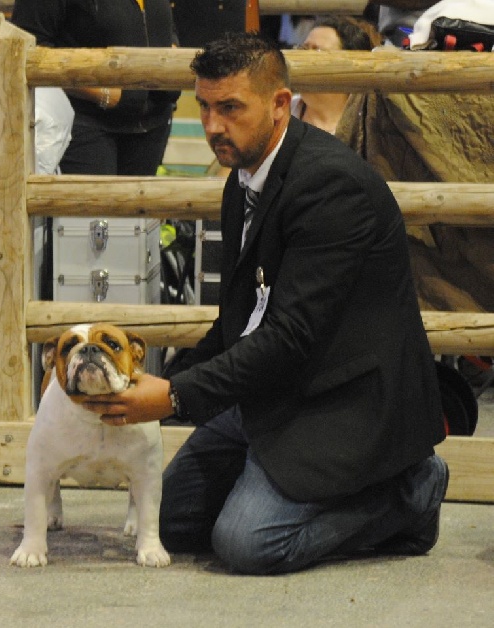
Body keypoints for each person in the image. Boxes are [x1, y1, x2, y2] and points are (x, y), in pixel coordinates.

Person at [82, 32, 448, 575]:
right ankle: (270, 477)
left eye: (229, 108)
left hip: (346, 402)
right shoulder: (245, 175)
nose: (211, 126)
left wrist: (177, 397)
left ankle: (410, 495)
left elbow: (291, 337)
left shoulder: (330, 188)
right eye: (204, 106)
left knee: (245, 544)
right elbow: (240, 317)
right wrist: (154, 380)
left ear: (280, 104)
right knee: (168, 523)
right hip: (274, 386)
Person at [11, 0, 181, 176]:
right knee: (93, 200)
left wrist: (172, 52)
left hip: (153, 124)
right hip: (84, 124)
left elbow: (164, 24)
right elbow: (28, 45)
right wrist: (105, 94)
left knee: (140, 203)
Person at [292, 16, 382, 135]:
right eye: (303, 49)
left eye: (317, 52)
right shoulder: (280, 110)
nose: (302, 59)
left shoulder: (368, 128)